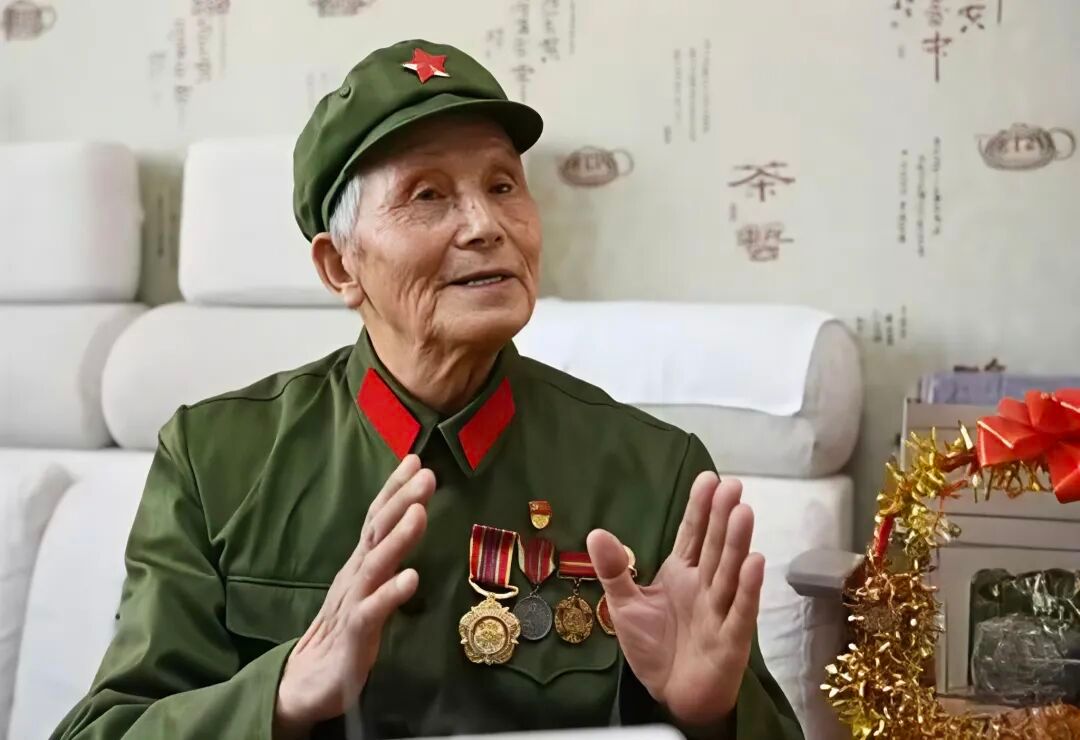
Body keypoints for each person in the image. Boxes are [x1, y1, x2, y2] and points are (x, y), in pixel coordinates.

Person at [52, 39, 803, 739]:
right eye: (428, 195)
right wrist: (283, 691)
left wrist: (711, 714)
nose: (485, 225)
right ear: (341, 267)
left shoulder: (655, 472)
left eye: (502, 185)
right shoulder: (216, 460)